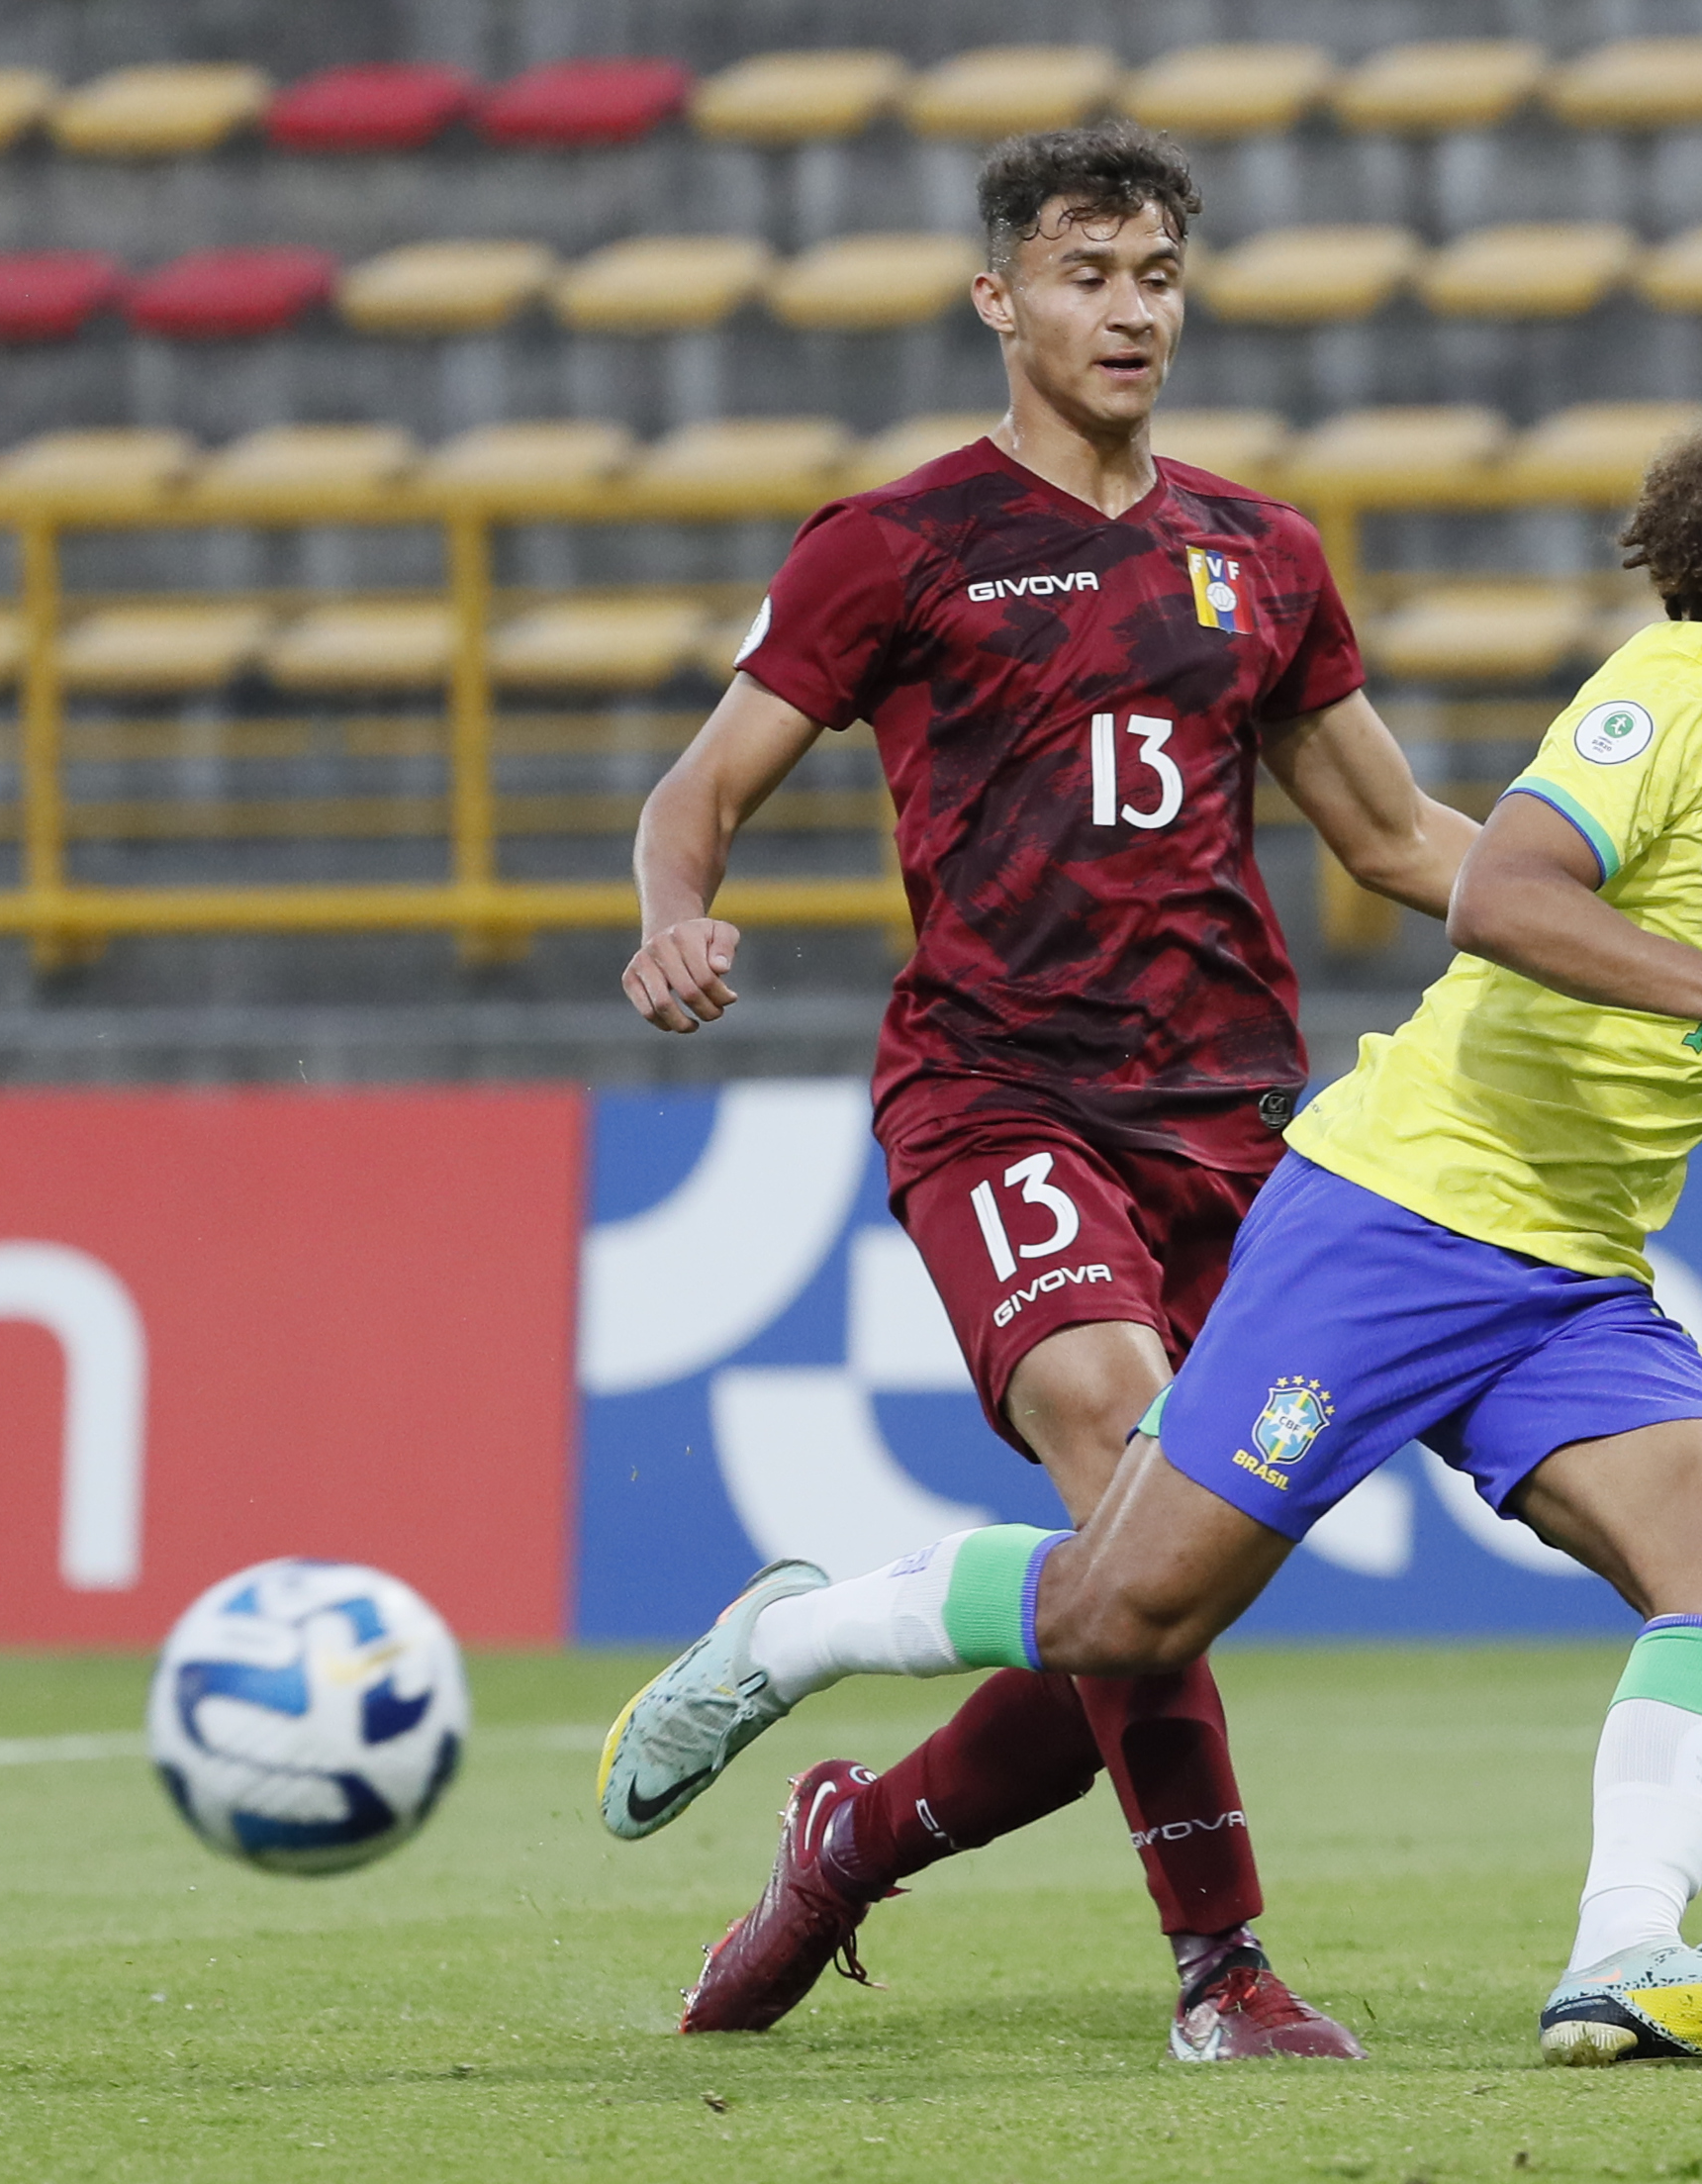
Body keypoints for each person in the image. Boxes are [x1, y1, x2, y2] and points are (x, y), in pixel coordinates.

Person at [597, 393, 1702, 2065]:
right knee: (1130, 1613)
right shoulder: (1671, 698)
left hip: (1572, 1281)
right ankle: (797, 1634)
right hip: (1394, 1218)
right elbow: (1498, 892)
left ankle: (1625, 1952)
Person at [603, 120, 1474, 2063]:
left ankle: (845, 1847)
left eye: (1155, 275)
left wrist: (1627, 940)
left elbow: (1394, 837)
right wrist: (675, 914)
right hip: (1000, 1095)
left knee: (1136, 1605)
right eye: (1084, 275)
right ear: (998, 299)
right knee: (1117, 1433)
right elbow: (701, 790)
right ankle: (1221, 1972)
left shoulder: (1260, 555)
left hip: (1243, 1128)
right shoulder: (891, 547)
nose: (1127, 311)